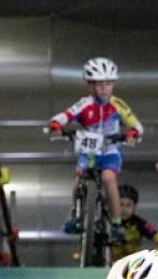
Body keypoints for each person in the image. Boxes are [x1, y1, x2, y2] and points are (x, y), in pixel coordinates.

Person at [48, 57, 143, 243]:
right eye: (98, 84)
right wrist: (56, 125)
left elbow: (136, 125)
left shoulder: (117, 104)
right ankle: (75, 214)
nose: (103, 88)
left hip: (110, 149)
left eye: (108, 84)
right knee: (79, 177)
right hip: (90, 151)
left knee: (108, 178)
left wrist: (132, 133)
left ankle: (116, 223)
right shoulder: (84, 103)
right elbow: (64, 116)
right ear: (89, 85)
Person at [109, 184, 158, 261]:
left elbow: (157, 237)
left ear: (134, 207)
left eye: (128, 205)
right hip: (111, 261)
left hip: (134, 261)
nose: (124, 209)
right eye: (121, 204)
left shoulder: (140, 223)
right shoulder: (107, 222)